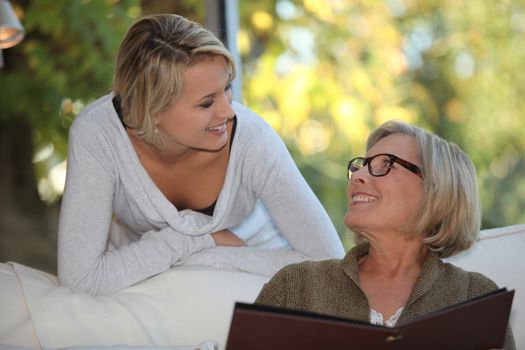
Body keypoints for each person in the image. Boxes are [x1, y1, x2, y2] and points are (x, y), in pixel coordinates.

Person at [57, 14, 344, 295]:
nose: (229, 111)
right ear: (153, 110)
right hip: (142, 276)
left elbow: (329, 266)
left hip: (255, 261)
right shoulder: (97, 135)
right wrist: (192, 241)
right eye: (207, 103)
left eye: (227, 88)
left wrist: (207, 255)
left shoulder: (254, 141)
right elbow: (80, 279)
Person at [255, 120, 515, 349]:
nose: (358, 176)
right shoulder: (295, 287)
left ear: (436, 190)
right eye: (361, 166)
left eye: (385, 164)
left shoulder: (475, 298)